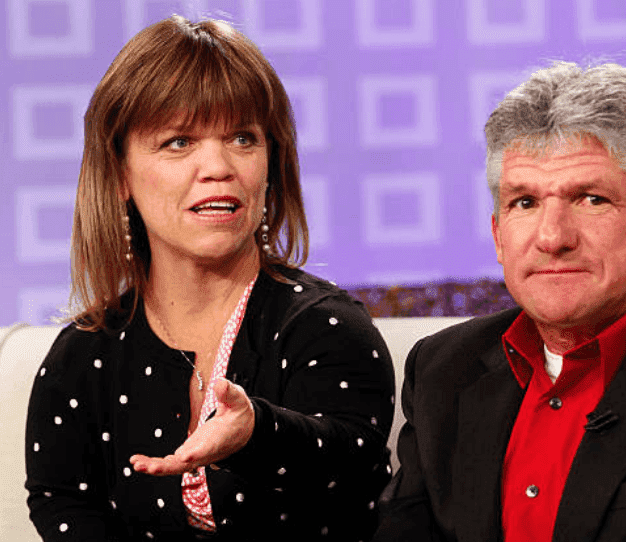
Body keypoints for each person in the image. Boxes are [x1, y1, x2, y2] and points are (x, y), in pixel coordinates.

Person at [25, 16, 395, 541]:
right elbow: (61, 502)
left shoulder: (327, 327)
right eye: (178, 142)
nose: (218, 166)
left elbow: (351, 469)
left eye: (243, 137)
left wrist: (258, 433)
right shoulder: (84, 353)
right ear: (120, 174)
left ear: (272, 163)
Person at [373, 62, 626, 542]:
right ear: (498, 235)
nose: (551, 237)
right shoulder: (441, 369)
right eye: (525, 202)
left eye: (591, 198)